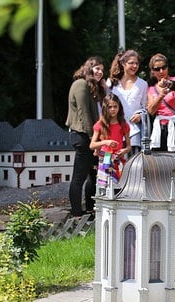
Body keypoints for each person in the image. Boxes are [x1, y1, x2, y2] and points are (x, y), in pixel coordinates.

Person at [65, 56, 106, 217]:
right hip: (83, 137)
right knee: (79, 177)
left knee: (94, 175)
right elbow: (84, 114)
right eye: (97, 68)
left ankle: (90, 209)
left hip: (91, 137)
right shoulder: (80, 84)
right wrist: (93, 140)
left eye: (102, 70)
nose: (100, 72)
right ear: (88, 68)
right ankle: (76, 214)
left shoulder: (92, 87)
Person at [89, 94, 132, 196]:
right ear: (105, 108)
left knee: (119, 186)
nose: (113, 109)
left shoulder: (124, 124)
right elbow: (92, 145)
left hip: (118, 157)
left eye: (115, 106)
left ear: (119, 107)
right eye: (110, 107)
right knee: (105, 185)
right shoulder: (100, 125)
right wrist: (106, 142)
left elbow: (129, 146)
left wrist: (125, 150)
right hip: (106, 157)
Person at [107, 50, 148, 155]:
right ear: (123, 64)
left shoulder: (142, 84)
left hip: (133, 131)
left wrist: (140, 114)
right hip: (113, 129)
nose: (134, 66)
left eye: (137, 63)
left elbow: (145, 107)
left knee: (134, 163)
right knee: (112, 162)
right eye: (131, 63)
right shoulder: (112, 83)